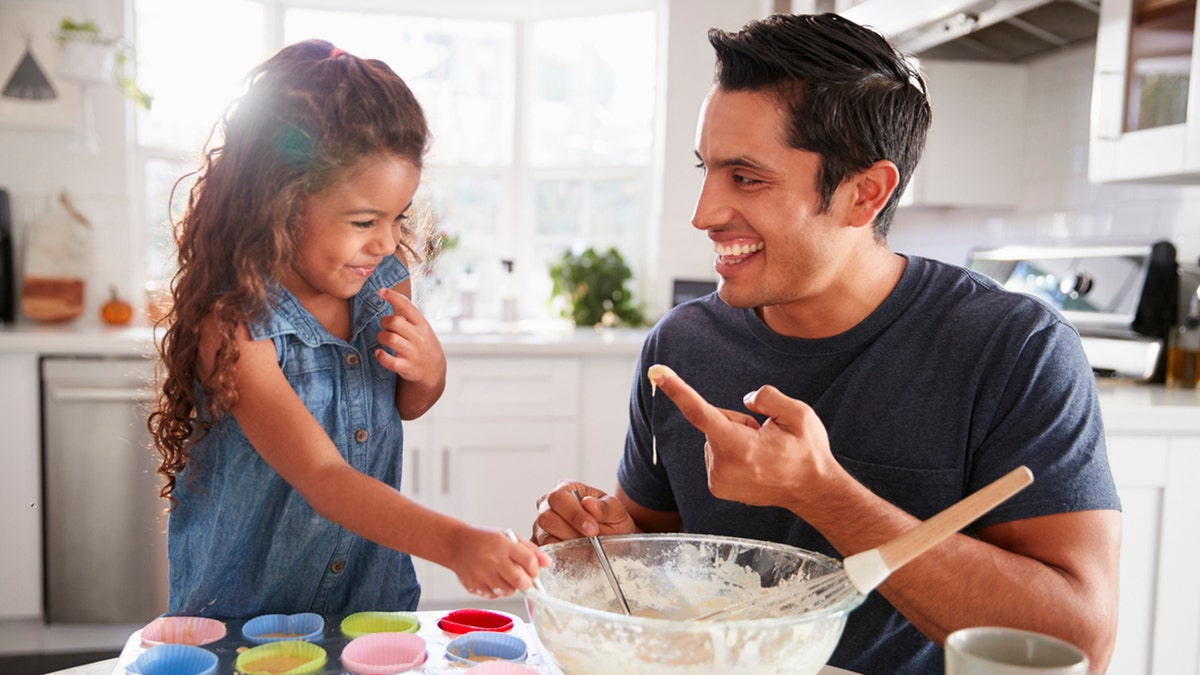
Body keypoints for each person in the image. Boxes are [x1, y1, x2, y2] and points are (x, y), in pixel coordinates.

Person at [533, 13, 1120, 674]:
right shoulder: (682, 344)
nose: (703, 213)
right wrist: (608, 542)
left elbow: (1081, 640)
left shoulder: (1013, 350)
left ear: (865, 193)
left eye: (745, 178)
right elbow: (655, 556)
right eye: (707, 169)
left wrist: (822, 492)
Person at [148, 39, 547, 620]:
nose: (386, 242)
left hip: (368, 601)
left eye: (397, 218)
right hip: (245, 617)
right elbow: (323, 474)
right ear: (279, 205)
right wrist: (457, 544)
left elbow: (404, 405)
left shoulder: (383, 279)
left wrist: (431, 371)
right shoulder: (234, 325)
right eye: (364, 221)